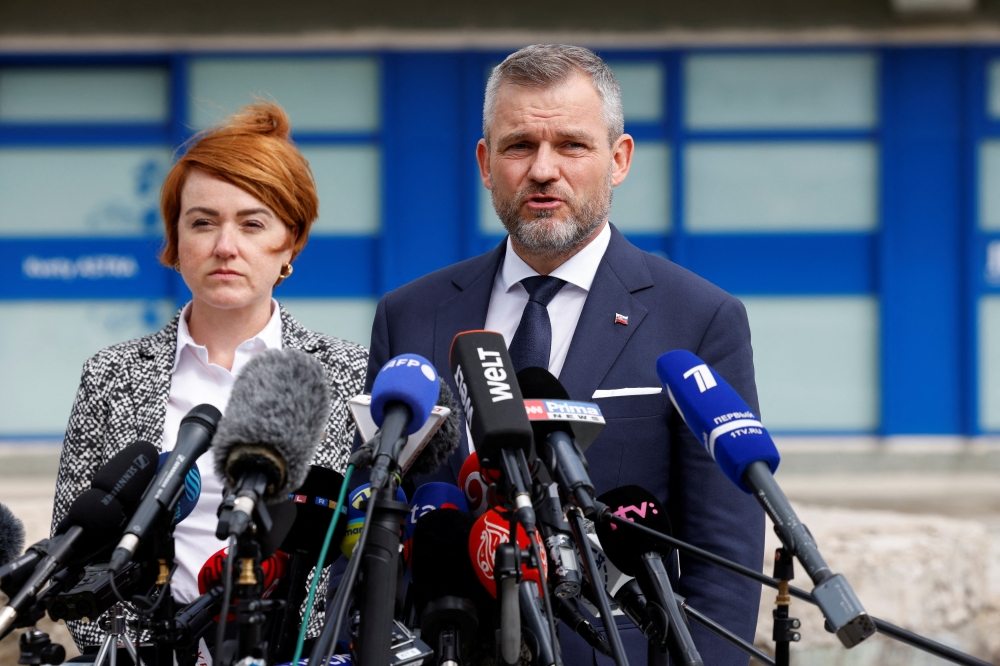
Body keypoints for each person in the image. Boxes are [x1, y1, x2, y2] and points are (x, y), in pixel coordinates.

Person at [360, 45, 765, 665]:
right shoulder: (409, 315)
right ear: (485, 163)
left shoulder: (700, 318)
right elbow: (378, 532)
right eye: (519, 145)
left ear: (619, 159)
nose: (543, 170)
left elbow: (723, 556)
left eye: (572, 146)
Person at [51, 102, 368, 649]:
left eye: (252, 223)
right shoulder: (112, 375)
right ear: (176, 241)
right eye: (203, 222)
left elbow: (364, 562)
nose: (226, 246)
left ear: (290, 240)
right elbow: (74, 554)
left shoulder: (351, 373)